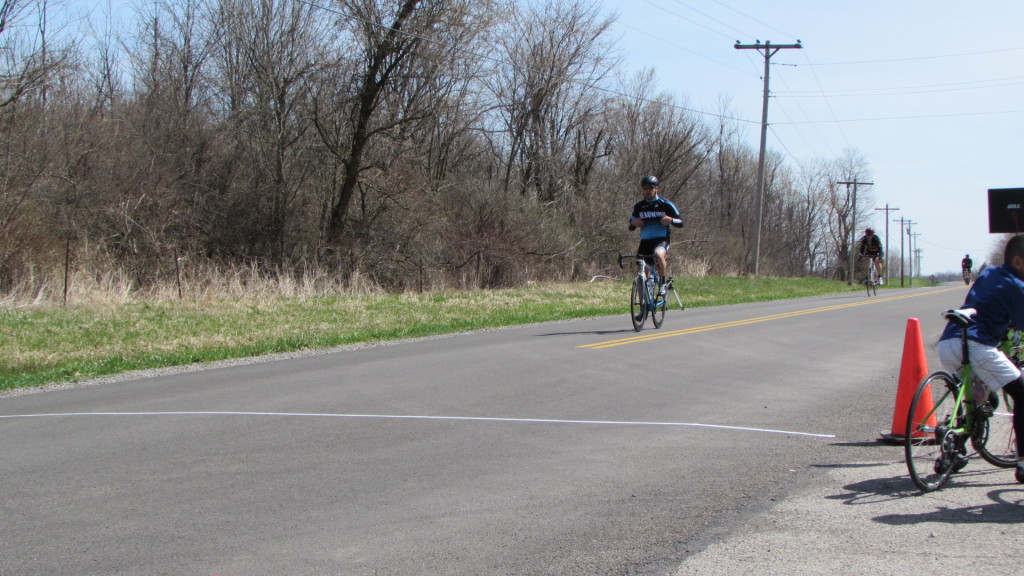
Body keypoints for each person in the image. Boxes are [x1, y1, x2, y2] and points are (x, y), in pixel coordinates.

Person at [936, 235, 1024, 483]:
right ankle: (1022, 463)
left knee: (982, 398)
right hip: (978, 345)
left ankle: (953, 451)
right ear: (1018, 261)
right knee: (1021, 393)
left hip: (949, 343)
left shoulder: (989, 273)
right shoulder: (1017, 286)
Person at [628, 175, 683, 294]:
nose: (647, 190)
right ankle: (643, 307)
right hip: (645, 241)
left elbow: (681, 222)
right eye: (644, 188)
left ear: (656, 188)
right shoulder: (639, 206)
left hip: (661, 239)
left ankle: (662, 283)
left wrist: (671, 220)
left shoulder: (665, 204)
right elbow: (630, 226)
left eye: (650, 188)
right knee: (642, 272)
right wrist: (634, 223)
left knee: (658, 255)